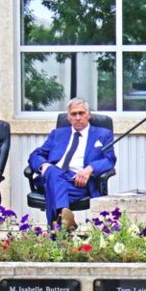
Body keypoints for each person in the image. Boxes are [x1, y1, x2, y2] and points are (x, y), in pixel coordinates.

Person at [28, 98, 116, 229]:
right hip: (52, 176)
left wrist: (90, 169)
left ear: (89, 115)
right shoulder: (57, 134)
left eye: (81, 113)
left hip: (77, 183)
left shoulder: (102, 135)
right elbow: (35, 155)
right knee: (52, 171)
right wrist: (43, 166)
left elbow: (109, 159)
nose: (78, 117)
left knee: (53, 191)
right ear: (68, 117)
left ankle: (58, 233)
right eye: (74, 114)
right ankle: (63, 215)